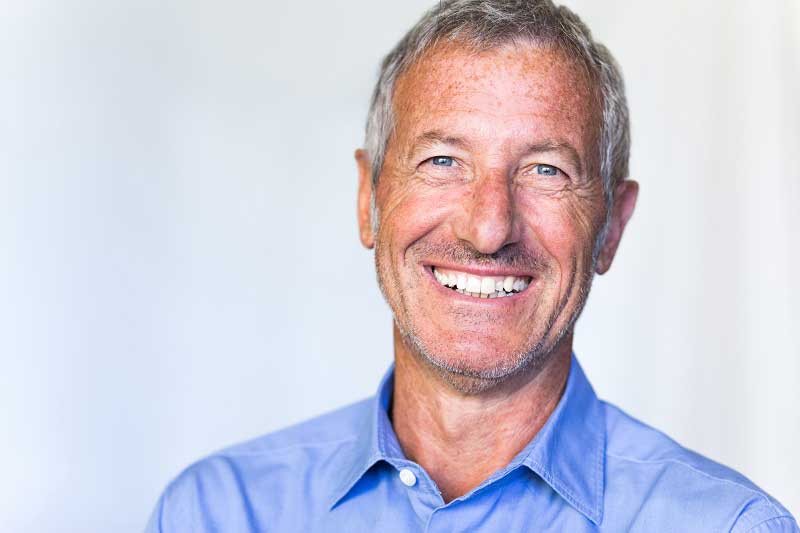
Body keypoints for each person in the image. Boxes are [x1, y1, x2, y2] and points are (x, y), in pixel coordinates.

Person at [146, 1, 797, 531]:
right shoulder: (216, 513)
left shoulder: (727, 525)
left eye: (546, 170)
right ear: (367, 199)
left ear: (612, 226)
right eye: (442, 161)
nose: (488, 229)